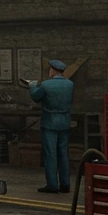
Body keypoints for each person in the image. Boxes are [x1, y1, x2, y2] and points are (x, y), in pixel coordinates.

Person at [29, 58, 74, 194]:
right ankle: (65, 184)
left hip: (50, 123)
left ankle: (52, 185)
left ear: (53, 70)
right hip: (64, 123)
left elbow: (36, 97)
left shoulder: (46, 85)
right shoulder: (70, 84)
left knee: (50, 155)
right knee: (63, 154)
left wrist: (32, 86)